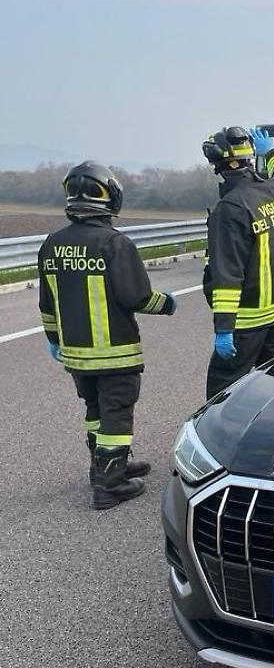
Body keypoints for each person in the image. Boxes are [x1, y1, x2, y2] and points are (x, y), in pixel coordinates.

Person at [38, 162, 177, 509]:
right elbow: (138, 297)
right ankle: (111, 485)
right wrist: (168, 304)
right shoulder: (115, 244)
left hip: (76, 355)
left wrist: (55, 340)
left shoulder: (52, 245)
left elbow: (47, 303)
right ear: (110, 197)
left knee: (96, 410)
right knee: (116, 414)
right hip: (115, 353)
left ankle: (101, 468)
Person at [202, 125, 274, 399]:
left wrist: (224, 328)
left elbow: (227, 276)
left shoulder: (230, 209)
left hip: (247, 319)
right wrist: (271, 153)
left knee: (222, 392)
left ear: (219, 166)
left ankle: (222, 439)